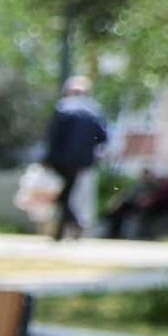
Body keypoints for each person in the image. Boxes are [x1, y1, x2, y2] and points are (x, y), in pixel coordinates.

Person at [41, 76, 110, 240]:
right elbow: (102, 137)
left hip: (61, 160)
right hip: (82, 162)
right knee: (68, 195)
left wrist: (47, 158)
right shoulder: (93, 111)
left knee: (63, 196)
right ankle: (64, 230)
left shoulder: (63, 108)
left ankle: (70, 226)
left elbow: (54, 136)